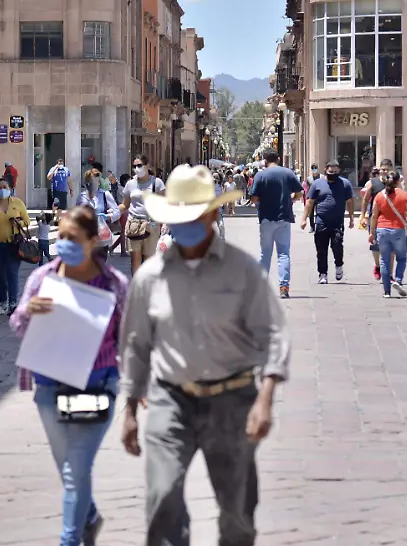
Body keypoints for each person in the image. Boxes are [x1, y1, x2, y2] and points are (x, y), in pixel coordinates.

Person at [119, 164, 288, 546]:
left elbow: (273, 334)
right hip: (170, 398)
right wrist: (129, 409)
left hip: (232, 400)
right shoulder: (150, 277)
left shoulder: (242, 271)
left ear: (213, 214)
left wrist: (265, 398)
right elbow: (136, 343)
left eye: (194, 215)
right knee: (162, 498)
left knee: (237, 512)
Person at [9, 206, 129, 546]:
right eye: (60, 237)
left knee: (76, 470)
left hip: (97, 385)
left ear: (93, 241)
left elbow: (130, 336)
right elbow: (17, 324)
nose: (63, 244)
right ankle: (88, 514)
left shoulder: (113, 284)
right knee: (69, 468)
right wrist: (28, 312)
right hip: (50, 387)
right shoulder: (42, 278)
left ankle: (69, 539)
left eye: (72, 239)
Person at [249, 150, 303, 299]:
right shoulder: (288, 173)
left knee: (265, 253)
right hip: (284, 218)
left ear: (265, 160)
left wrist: (263, 200)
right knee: (283, 253)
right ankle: (284, 287)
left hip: (266, 218)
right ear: (278, 159)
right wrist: (290, 199)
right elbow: (300, 193)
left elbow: (253, 198)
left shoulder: (260, 175)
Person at [299, 160, 354, 284]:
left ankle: (339, 265)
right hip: (321, 221)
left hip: (337, 222)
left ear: (339, 171)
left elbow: (350, 201)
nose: (333, 174)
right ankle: (322, 274)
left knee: (337, 246)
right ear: (325, 170)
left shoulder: (345, 184)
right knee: (321, 249)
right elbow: (310, 202)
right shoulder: (317, 184)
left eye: (335, 172)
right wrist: (304, 219)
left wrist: (351, 218)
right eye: (330, 172)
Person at [368, 170, 407, 299]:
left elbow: (374, 216)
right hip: (398, 230)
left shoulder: (379, 196)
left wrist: (371, 232)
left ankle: (386, 291)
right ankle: (398, 280)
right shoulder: (405, 195)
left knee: (384, 261)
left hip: (382, 230)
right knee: (401, 258)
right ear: (398, 181)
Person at [0, 176, 28, 313]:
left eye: (5, 187)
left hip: (14, 244)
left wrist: (19, 223)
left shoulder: (18, 203)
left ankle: (13, 302)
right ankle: (3, 301)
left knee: (12, 272)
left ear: (10, 189)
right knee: (1, 274)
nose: (2, 190)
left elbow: (27, 220)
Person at [119, 155, 166, 273]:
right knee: (135, 260)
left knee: (149, 259)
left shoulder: (157, 183)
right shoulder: (130, 184)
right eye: (134, 166)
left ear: (147, 166)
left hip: (151, 225)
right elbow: (125, 205)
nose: (137, 168)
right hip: (134, 224)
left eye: (139, 165)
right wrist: (112, 211)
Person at [360, 159, 399, 282]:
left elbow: (401, 198)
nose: (384, 171)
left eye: (387, 169)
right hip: (375, 218)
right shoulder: (373, 183)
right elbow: (366, 200)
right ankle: (377, 265)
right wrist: (362, 215)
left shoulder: (396, 183)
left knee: (391, 248)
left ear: (392, 170)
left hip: (391, 218)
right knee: (375, 245)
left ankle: (390, 274)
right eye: (382, 169)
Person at [76, 168, 120, 257]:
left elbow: (117, 212)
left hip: (101, 236)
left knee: (100, 264)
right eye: (91, 181)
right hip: (86, 235)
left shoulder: (105, 194)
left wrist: (107, 216)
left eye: (96, 180)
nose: (93, 183)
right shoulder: (81, 196)